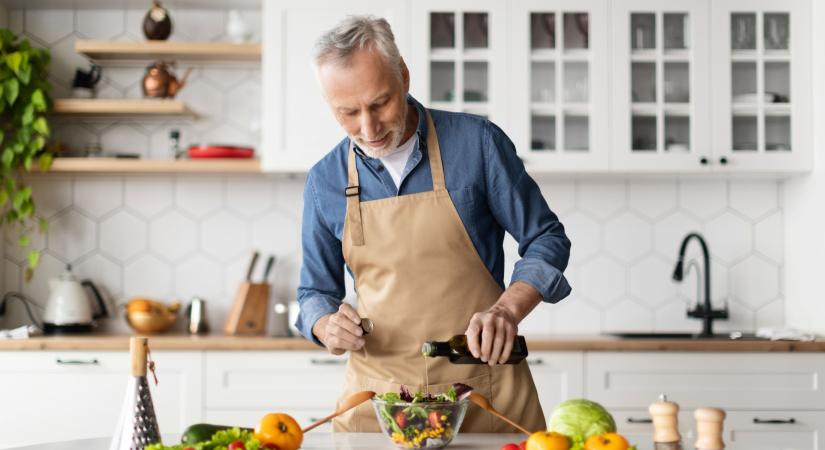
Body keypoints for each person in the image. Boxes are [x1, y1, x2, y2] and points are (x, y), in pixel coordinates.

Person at [296, 15, 572, 433]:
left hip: (484, 392)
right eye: (348, 113)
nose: (368, 128)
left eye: (380, 103)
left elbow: (546, 239)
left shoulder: (477, 144)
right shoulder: (325, 180)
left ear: (403, 75)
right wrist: (324, 324)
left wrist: (506, 312)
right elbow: (314, 292)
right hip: (379, 404)